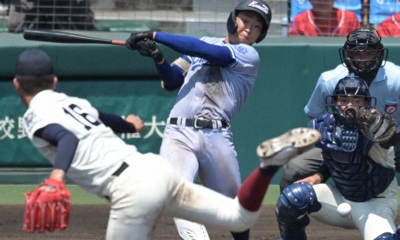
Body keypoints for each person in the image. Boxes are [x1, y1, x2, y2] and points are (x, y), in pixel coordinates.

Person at [14, 48, 321, 239]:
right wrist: (129, 124)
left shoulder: (34, 116)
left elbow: (66, 137)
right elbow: (102, 118)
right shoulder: (72, 101)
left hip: (131, 191)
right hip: (154, 169)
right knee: (239, 216)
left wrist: (57, 176)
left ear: (16, 84)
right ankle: (268, 166)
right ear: (54, 82)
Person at [124, 0, 271, 240]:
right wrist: (158, 56)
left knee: (236, 210)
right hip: (178, 134)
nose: (249, 29)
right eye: (246, 21)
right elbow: (171, 80)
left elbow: (205, 51)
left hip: (217, 135)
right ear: (233, 19)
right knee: (176, 194)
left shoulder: (248, 55)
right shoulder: (203, 44)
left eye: (257, 27)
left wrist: (154, 35)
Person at [275, 75, 399, 240]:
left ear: (367, 103)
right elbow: (336, 157)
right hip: (340, 199)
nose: (350, 104)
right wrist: (318, 175)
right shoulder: (323, 126)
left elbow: (390, 140)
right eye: (343, 99)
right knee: (293, 197)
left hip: (375, 203)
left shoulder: (376, 127)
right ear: (334, 101)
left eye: (357, 99)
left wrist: (380, 126)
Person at [279, 28, 400, 191]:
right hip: (343, 141)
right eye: (356, 54)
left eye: (368, 53)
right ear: (346, 55)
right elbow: (313, 115)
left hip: (389, 143)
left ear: (378, 54)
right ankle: (290, 213)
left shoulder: (396, 79)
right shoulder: (330, 80)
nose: (362, 59)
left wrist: (388, 135)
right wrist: (333, 141)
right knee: (294, 169)